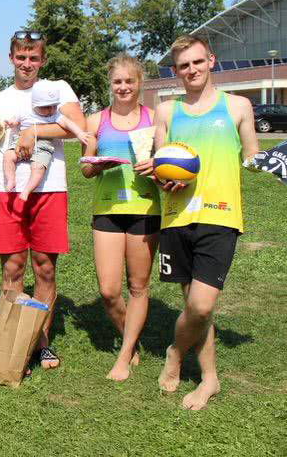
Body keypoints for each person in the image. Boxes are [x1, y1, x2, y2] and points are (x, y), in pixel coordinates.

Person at [137, 35, 259, 410]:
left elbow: (252, 152)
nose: (191, 70)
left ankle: (175, 351)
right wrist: (159, 175)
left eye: (197, 62)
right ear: (175, 72)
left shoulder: (237, 106)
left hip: (221, 215)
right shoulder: (167, 111)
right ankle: (210, 379)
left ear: (211, 60)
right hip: (177, 216)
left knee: (203, 306)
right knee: (191, 303)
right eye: (184, 66)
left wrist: (270, 163)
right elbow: (160, 162)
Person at [0, 31, 86, 369]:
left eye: (34, 58)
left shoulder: (58, 89)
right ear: (11, 58)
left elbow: (77, 127)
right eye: (21, 57)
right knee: (12, 268)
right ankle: (13, 341)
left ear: (42, 61)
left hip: (48, 189)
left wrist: (33, 131)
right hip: (8, 192)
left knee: (45, 268)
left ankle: (39, 341)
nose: (27, 64)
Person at [80, 54, 160, 381]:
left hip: (145, 210)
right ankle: (130, 338)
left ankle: (126, 354)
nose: (123, 87)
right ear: (110, 85)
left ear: (140, 83)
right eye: (117, 81)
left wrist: (157, 166)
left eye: (129, 81)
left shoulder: (155, 118)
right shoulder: (96, 121)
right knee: (110, 290)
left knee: (138, 287)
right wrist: (97, 165)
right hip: (108, 210)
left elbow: (168, 163)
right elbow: (85, 169)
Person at [2, 79, 90, 204]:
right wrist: (12, 123)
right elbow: (16, 119)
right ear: (34, 105)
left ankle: (27, 190)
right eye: (46, 107)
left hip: (43, 145)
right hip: (20, 141)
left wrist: (80, 133)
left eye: (54, 106)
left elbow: (68, 123)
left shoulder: (55, 115)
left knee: (38, 168)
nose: (50, 110)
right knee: (8, 156)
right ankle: (11, 179)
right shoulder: (25, 110)